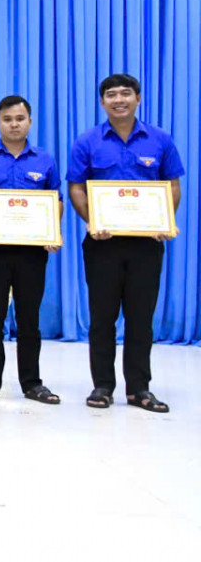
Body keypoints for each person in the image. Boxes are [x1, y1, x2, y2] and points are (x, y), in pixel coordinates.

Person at [68, 74, 183, 413]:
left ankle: (139, 388)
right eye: (111, 95)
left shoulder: (160, 140)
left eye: (125, 93)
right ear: (102, 101)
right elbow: (76, 187)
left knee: (140, 318)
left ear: (138, 98)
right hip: (103, 244)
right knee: (102, 317)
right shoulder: (87, 141)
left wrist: (163, 221)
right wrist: (92, 221)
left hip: (146, 244)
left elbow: (172, 185)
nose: (119, 100)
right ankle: (103, 385)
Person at [0, 95, 62, 405]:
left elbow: (55, 200)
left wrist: (51, 231)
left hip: (32, 252)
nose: (14, 124)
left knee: (29, 318)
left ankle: (32, 383)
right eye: (7, 119)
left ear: (29, 121)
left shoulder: (45, 159)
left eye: (19, 119)